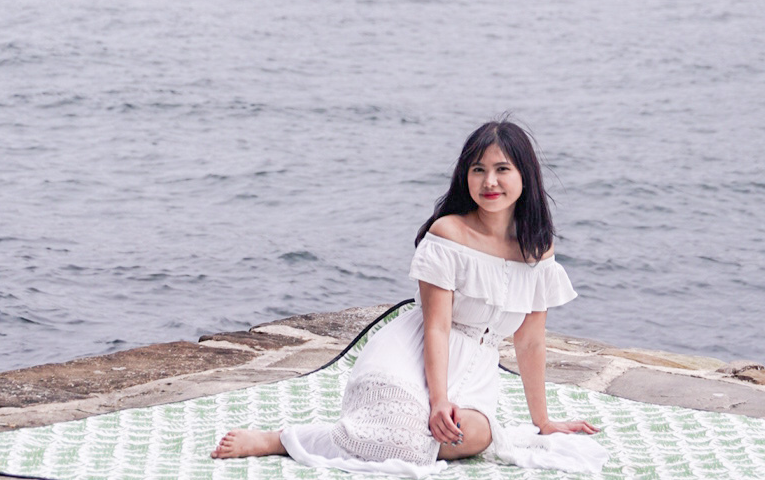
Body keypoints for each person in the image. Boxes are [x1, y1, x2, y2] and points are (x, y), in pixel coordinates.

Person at [211, 119, 608, 476]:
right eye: (479, 170)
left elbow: (530, 339)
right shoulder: (448, 234)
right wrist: (439, 400)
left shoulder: (538, 248)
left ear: (525, 176)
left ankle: (338, 436)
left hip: (475, 369)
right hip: (412, 355)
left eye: (502, 169)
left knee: (474, 436)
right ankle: (281, 439)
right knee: (397, 440)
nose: (490, 182)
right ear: (464, 177)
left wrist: (543, 421)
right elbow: (436, 327)